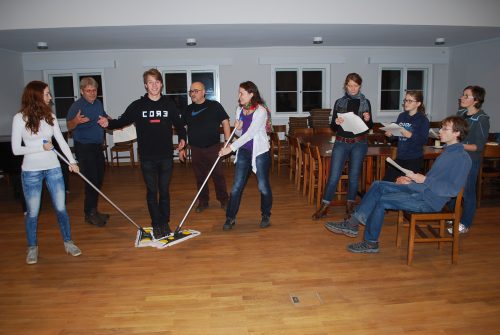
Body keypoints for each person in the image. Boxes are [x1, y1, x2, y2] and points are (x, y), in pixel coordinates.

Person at [324, 116, 471, 253]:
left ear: (457, 133)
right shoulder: (449, 152)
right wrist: (411, 180)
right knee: (378, 185)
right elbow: (435, 180)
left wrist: (423, 180)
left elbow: (451, 190)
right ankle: (353, 223)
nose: (441, 131)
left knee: (381, 201)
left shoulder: (461, 158)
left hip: (429, 201)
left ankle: (370, 243)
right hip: (420, 190)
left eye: (445, 128)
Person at [97, 68, 186, 239]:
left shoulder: (169, 105)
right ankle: (156, 222)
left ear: (161, 84)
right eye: (150, 82)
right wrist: (108, 123)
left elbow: (180, 126)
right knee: (152, 191)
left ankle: (164, 221)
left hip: (166, 156)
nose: (154, 85)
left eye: (157, 82)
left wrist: (183, 139)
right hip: (147, 158)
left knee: (164, 191)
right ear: (145, 85)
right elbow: (121, 121)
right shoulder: (138, 106)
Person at [11, 80, 82, 264]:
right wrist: (40, 148)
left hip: (54, 168)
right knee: (32, 213)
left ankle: (68, 242)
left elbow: (61, 141)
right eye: (46, 94)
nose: (50, 97)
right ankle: (32, 247)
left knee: (61, 209)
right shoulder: (19, 118)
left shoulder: (49, 116)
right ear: (36, 96)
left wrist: (72, 161)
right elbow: (16, 150)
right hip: (31, 171)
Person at [312, 73, 373, 220]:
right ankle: (325, 206)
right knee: (333, 176)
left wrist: (368, 119)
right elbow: (333, 126)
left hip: (359, 143)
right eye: (350, 85)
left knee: (353, 177)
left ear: (360, 86)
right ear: (346, 85)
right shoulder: (339, 102)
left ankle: (350, 207)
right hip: (341, 142)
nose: (353, 88)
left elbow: (369, 126)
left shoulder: (366, 102)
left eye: (356, 85)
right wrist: (337, 123)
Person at [218, 81, 272, 230]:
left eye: (241, 93)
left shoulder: (261, 111)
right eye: (239, 93)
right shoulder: (239, 109)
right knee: (236, 187)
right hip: (244, 152)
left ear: (251, 94)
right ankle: (230, 217)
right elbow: (242, 133)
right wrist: (238, 128)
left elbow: (251, 134)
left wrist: (230, 148)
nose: (239, 96)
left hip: (259, 152)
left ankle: (266, 214)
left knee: (263, 186)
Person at [179, 81, 230, 213]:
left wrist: (227, 141)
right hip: (195, 148)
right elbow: (182, 129)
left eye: (196, 91)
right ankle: (203, 202)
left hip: (213, 148)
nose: (192, 94)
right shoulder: (188, 109)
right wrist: (182, 148)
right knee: (200, 177)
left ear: (203, 92)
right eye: (191, 91)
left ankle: (224, 200)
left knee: (218, 175)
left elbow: (225, 122)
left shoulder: (215, 106)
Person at [66, 77, 110, 227]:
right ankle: (89, 214)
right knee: (91, 180)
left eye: (94, 90)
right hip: (84, 147)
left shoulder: (98, 103)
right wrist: (76, 121)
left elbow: (104, 117)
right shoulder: (77, 106)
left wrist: (117, 124)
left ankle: (94, 210)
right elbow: (69, 126)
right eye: (88, 90)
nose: (92, 93)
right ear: (82, 91)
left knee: (98, 179)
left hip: (97, 147)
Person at [450, 85, 489, 234]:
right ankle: (453, 217)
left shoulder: (482, 119)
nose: (462, 98)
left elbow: (478, 146)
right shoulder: (460, 113)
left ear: (476, 100)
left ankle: (465, 223)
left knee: (468, 192)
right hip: (456, 158)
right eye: (463, 94)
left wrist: (458, 145)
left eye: (466, 96)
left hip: (470, 161)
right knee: (453, 188)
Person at [383, 90, 430, 181]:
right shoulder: (402, 116)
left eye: (410, 101)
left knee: (405, 186)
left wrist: (409, 134)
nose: (406, 103)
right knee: (386, 182)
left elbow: (423, 140)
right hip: (400, 157)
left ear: (418, 103)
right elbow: (397, 135)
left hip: (414, 159)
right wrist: (391, 134)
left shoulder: (423, 120)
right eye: (405, 100)